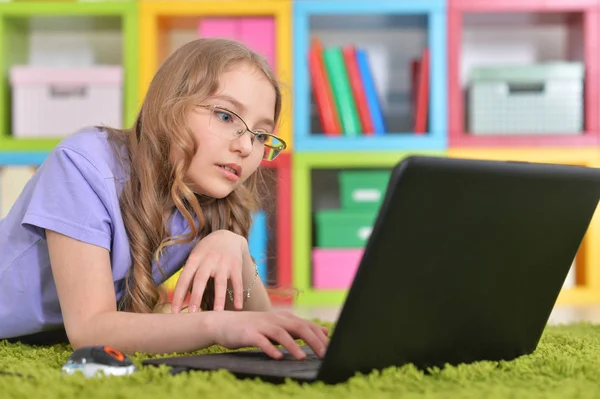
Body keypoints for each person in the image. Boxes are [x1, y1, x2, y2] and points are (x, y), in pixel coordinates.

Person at [0, 38, 328, 360]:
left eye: (260, 135)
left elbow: (259, 322)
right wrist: (215, 325)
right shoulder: (83, 163)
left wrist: (233, 244)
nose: (246, 147)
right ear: (169, 108)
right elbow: (89, 329)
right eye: (226, 116)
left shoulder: (204, 195)